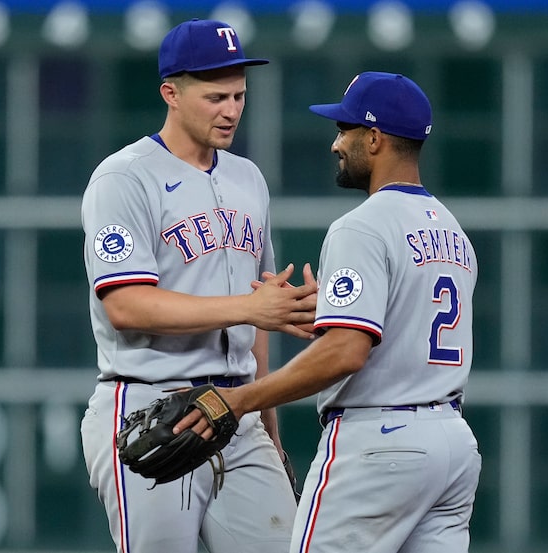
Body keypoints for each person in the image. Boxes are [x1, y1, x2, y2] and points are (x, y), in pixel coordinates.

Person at [178, 71, 482, 553]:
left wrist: (240, 400)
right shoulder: (454, 234)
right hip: (452, 445)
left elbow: (346, 354)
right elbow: (400, 331)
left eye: (346, 131)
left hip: (379, 444)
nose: (336, 144)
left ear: (376, 138)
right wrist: (334, 316)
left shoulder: (361, 227)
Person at [79, 18, 317, 553]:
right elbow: (126, 305)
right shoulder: (124, 178)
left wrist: (267, 423)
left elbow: (260, 312)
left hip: (236, 408)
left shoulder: (247, 178)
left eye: (238, 95)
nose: (230, 109)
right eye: (215, 96)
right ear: (171, 93)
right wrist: (252, 309)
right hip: (151, 404)